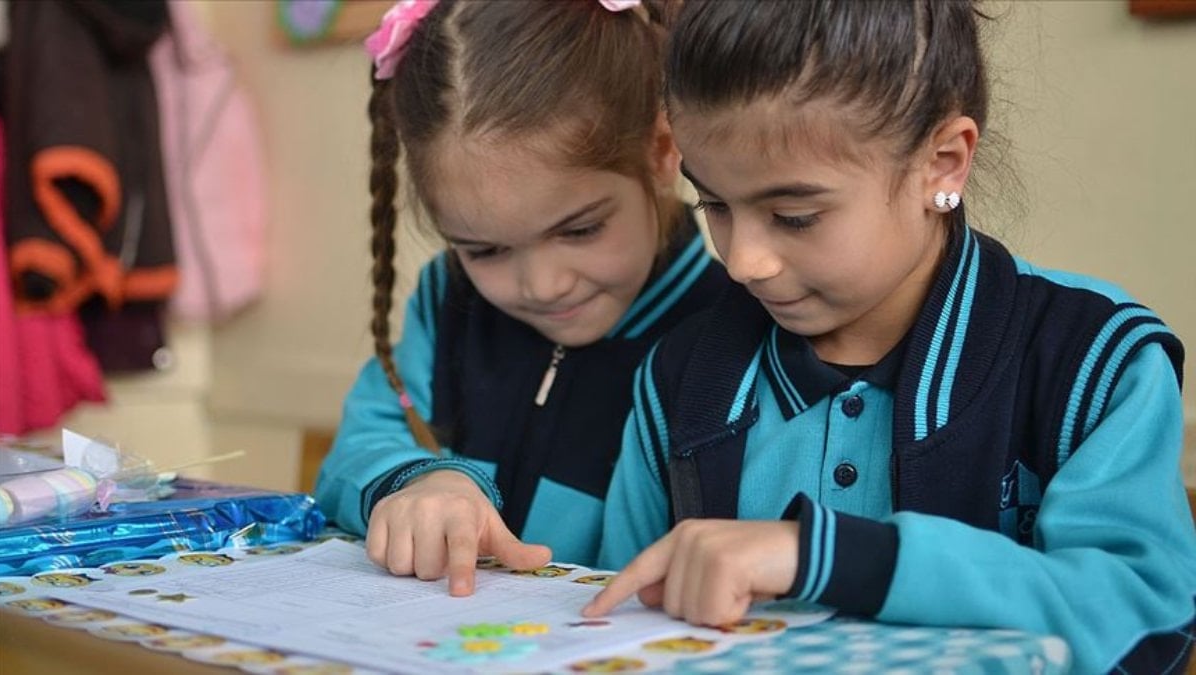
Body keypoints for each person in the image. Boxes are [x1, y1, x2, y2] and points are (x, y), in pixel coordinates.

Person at [583, 2, 1196, 672]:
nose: (742, 262)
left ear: (943, 164)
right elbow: (618, 630)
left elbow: (1149, 623)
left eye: (794, 216)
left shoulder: (1096, 360)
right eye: (715, 205)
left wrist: (837, 558)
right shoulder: (678, 378)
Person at [313, 0, 730, 597]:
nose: (542, 285)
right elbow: (357, 448)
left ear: (663, 151)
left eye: (580, 230)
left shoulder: (730, 335)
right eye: (484, 250)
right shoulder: (447, 298)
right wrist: (421, 482)